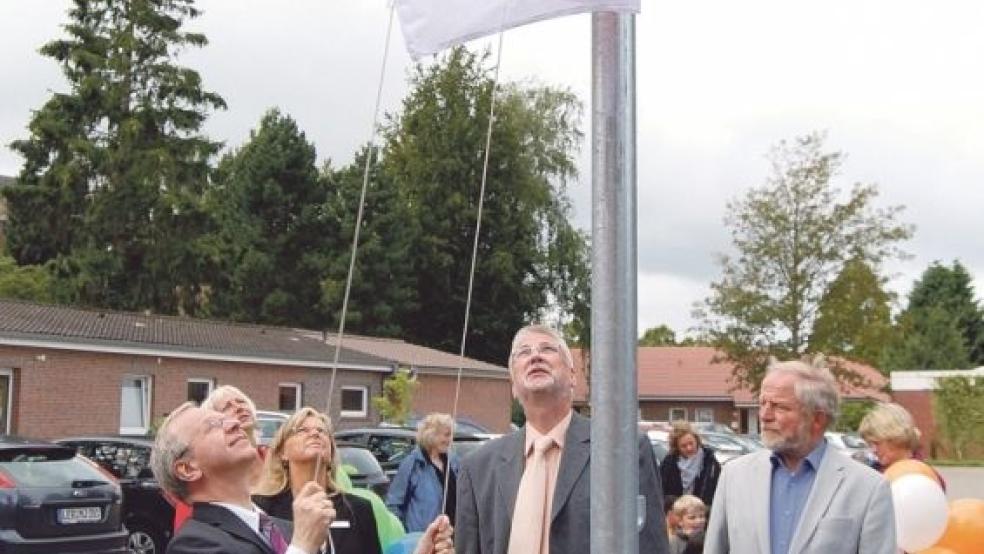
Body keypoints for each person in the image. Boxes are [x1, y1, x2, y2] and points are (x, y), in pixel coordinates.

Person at [455, 324, 669, 554]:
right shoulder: (478, 468)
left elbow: (651, 546)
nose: (535, 356)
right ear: (513, 386)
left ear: (572, 377)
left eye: (547, 349)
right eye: (523, 352)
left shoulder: (622, 450)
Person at [150, 402, 453, 554]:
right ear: (188, 468)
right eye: (212, 425)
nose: (232, 422)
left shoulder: (282, 529)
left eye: (226, 418)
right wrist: (303, 547)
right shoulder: (194, 544)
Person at [704, 356, 896, 554]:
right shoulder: (734, 476)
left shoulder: (867, 488)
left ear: (817, 419)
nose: (765, 415)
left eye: (780, 406)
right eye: (763, 403)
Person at [253, 407, 382, 554]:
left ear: (331, 453)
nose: (315, 433)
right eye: (302, 430)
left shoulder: (359, 509)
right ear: (283, 452)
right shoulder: (261, 509)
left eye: (322, 431)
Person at [173, 385, 266, 531]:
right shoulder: (201, 483)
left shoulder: (276, 460)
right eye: (226, 407)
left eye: (241, 401)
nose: (239, 408)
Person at [386, 413, 459, 532]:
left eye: (451, 435)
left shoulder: (454, 462)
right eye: (446, 435)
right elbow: (394, 504)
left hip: (450, 537)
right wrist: (404, 535)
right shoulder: (413, 463)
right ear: (431, 435)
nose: (449, 440)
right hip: (421, 538)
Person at [660, 422, 721, 508]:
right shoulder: (668, 463)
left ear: (697, 440)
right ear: (677, 447)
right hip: (677, 513)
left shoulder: (710, 462)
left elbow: (718, 490)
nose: (689, 448)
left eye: (691, 443)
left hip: (703, 513)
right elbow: (661, 491)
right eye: (683, 446)